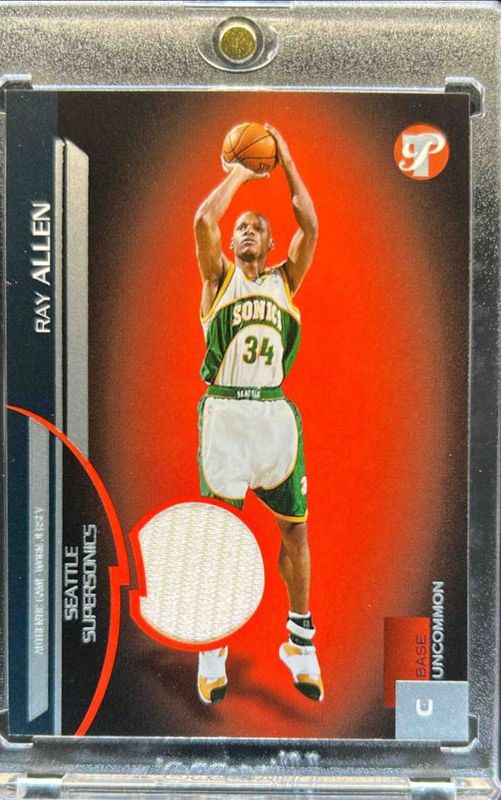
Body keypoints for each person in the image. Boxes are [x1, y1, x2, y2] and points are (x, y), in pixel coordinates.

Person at [193, 125, 322, 704]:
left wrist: (286, 160)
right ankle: (214, 646)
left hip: (273, 416)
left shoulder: (285, 281)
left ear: (270, 243)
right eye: (240, 226)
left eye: (257, 226)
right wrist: (242, 172)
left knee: (295, 530)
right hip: (225, 416)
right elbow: (203, 220)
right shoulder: (216, 279)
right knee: (221, 537)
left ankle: (300, 642)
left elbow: (311, 227)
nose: (246, 229)